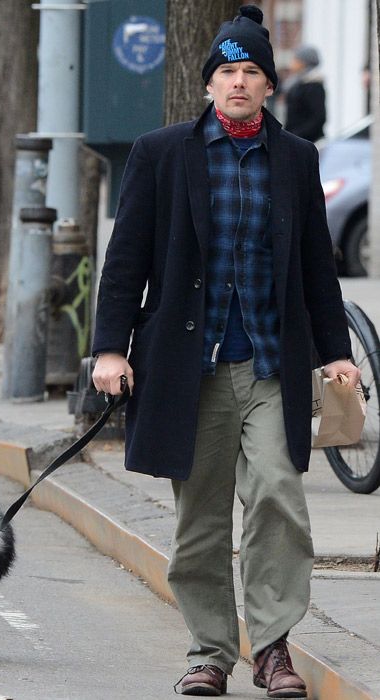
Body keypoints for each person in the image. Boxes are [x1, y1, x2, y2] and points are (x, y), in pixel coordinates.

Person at [92, 5, 360, 698]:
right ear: (208, 84)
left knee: (276, 494)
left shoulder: (296, 159)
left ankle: (271, 650)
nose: (238, 83)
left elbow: (316, 269)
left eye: (251, 72)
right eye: (226, 72)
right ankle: (210, 650)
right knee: (201, 516)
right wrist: (109, 349)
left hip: (271, 364)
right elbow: (126, 262)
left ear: (270, 86)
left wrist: (337, 350)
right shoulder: (162, 153)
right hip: (193, 367)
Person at [283, 45, 326, 143]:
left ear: (303, 62)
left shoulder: (314, 85)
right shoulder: (297, 82)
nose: (291, 63)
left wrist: (296, 135)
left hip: (307, 142)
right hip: (294, 139)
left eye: (295, 59)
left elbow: (318, 118)